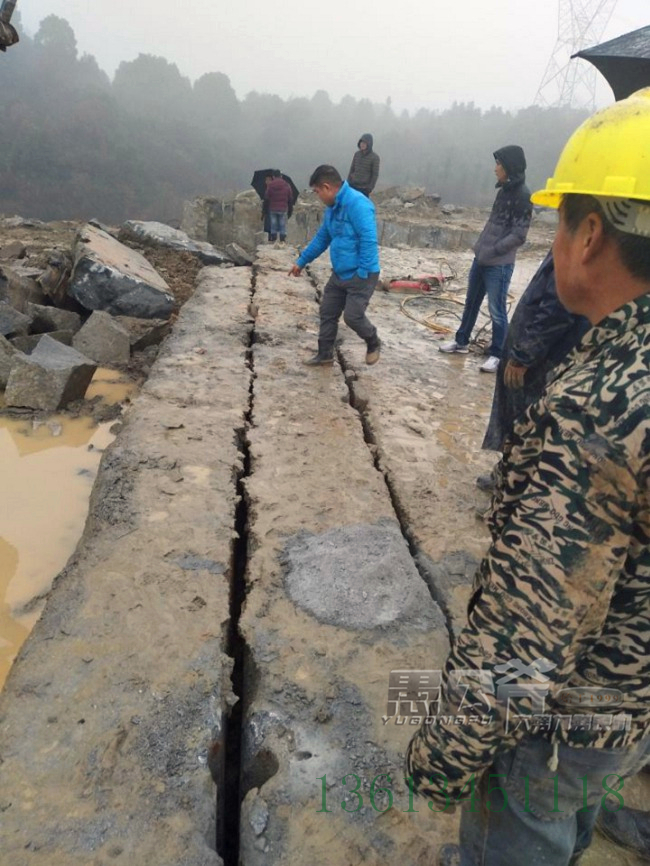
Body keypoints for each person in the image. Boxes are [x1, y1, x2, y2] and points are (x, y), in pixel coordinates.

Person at [407, 88, 650, 866]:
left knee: (527, 824)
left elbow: (525, 640)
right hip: (632, 699)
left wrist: (442, 756)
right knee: (578, 802)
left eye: (558, 225)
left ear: (587, 232)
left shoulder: (598, 410)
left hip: (570, 709)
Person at [476, 250, 590, 492]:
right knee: (522, 421)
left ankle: (514, 487)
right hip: (538, 351)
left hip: (541, 360)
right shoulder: (576, 243)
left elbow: (557, 307)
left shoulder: (579, 249)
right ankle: (508, 473)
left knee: (525, 421)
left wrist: (525, 354)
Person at [439, 146, 532, 373]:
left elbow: (519, 235)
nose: (495, 169)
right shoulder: (503, 192)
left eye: (498, 164)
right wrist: (481, 247)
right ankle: (461, 342)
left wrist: (495, 250)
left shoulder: (523, 196)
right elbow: (493, 224)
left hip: (498, 265)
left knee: (496, 309)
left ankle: (498, 354)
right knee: (470, 302)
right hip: (482, 258)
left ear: (509, 166)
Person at [288, 164, 381, 367]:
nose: (318, 196)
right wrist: (302, 261)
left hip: (362, 273)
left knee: (353, 317)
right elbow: (323, 238)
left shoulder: (358, 204)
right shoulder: (332, 209)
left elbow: (369, 240)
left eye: (317, 191)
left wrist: (362, 273)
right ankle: (325, 355)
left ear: (327, 187)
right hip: (340, 273)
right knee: (327, 312)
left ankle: (373, 341)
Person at [264, 169, 293, 247]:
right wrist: (290, 210)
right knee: (282, 223)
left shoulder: (270, 185)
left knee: (273, 223)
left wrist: (264, 210)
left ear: (273, 176)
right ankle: (282, 239)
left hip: (273, 208)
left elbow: (266, 197)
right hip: (283, 208)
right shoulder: (286, 185)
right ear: (281, 176)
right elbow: (290, 198)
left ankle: (273, 238)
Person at [347, 134, 380, 198]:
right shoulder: (357, 154)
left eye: (365, 143)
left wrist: (370, 188)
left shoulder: (375, 157)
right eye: (361, 142)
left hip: (364, 188)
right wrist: (349, 181)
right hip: (353, 185)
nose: (362, 144)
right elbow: (352, 169)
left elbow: (375, 175)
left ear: (369, 144)